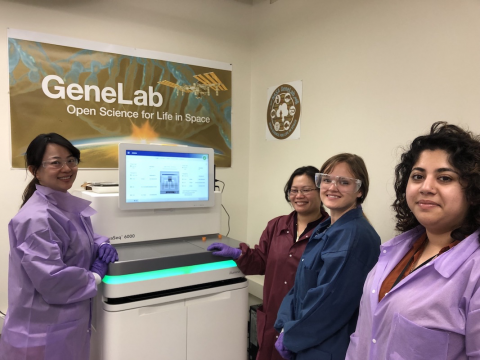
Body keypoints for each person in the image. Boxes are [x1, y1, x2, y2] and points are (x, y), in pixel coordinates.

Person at [345, 122, 480, 360]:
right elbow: (365, 334)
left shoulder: (474, 272)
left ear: (473, 191)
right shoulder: (397, 249)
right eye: (417, 176)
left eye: (445, 178)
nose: (426, 187)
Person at [0, 133, 119, 360]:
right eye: (56, 162)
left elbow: (79, 239)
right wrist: (95, 275)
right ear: (35, 171)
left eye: (71, 160)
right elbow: (53, 279)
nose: (67, 168)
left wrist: (102, 243)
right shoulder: (37, 218)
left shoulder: (62, 204)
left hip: (64, 326)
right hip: (40, 334)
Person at [208, 166, 329, 360]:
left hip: (305, 323)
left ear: (321, 191)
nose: (299, 195)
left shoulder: (330, 232)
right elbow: (261, 261)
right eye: (294, 190)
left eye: (306, 190)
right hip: (273, 318)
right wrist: (238, 254)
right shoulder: (276, 226)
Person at [274, 153, 381, 360]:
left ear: (360, 191)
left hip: (325, 347)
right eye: (327, 180)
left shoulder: (354, 236)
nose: (332, 187)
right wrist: (285, 323)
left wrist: (292, 335)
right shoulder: (325, 228)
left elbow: (329, 304)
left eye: (344, 182)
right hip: (307, 339)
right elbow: (300, 285)